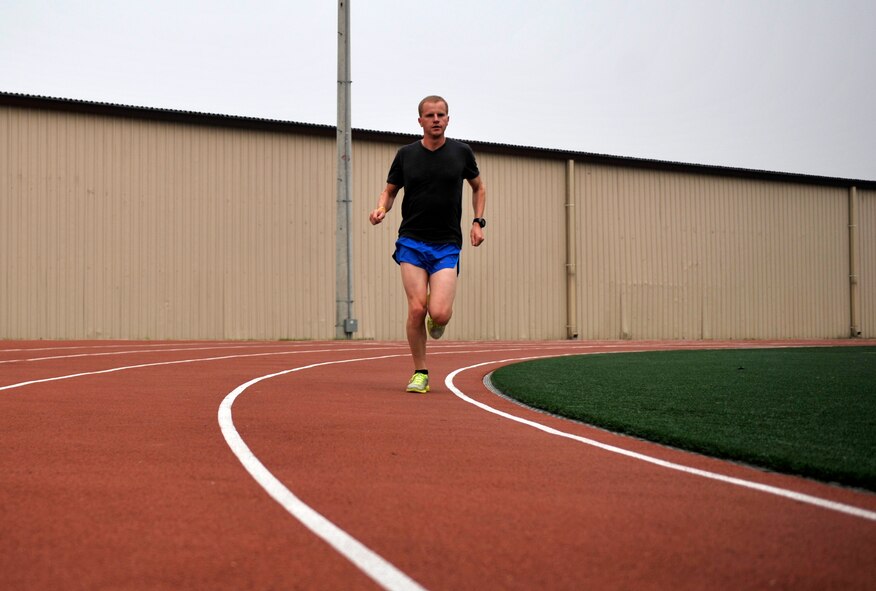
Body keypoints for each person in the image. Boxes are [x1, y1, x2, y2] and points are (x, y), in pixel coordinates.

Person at [369, 95, 486, 393]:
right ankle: (420, 372)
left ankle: (438, 316)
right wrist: (381, 208)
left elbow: (478, 187)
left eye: (441, 115)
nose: (436, 120)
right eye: (430, 115)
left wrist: (477, 221)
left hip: (447, 243)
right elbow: (390, 191)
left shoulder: (461, 153)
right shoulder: (406, 155)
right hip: (412, 240)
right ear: (420, 120)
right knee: (417, 309)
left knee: (440, 313)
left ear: (448, 119)